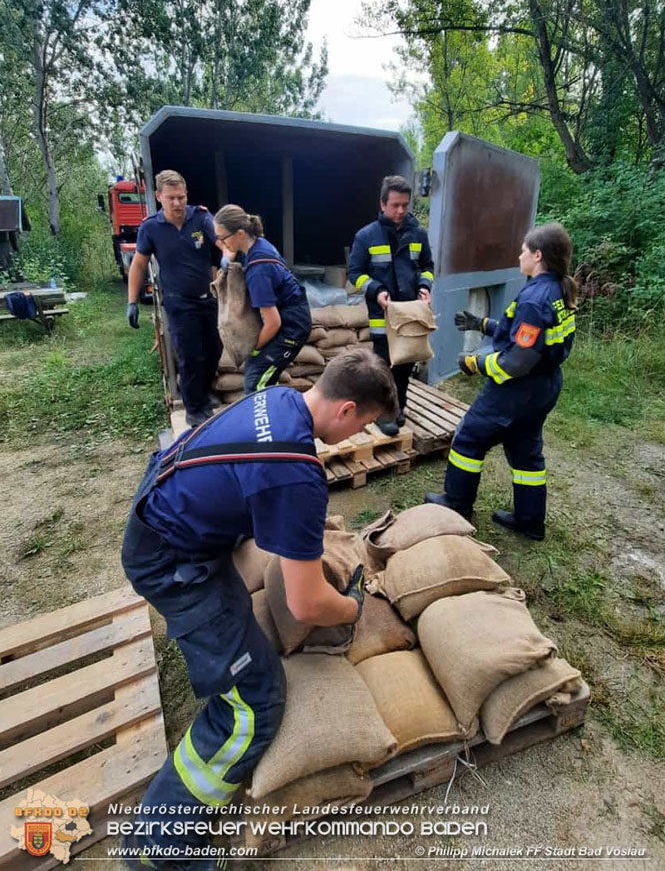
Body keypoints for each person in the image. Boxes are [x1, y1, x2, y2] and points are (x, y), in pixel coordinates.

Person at [120, 347, 398, 870]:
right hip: (172, 561)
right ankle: (156, 851)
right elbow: (306, 602)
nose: (358, 436)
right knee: (253, 704)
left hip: (163, 516)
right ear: (345, 411)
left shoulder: (279, 397)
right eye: (363, 424)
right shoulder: (295, 472)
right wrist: (352, 608)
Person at [425, 223, 577, 541]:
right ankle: (530, 520)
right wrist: (482, 324)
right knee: (525, 450)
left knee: (469, 438)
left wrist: (475, 362)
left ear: (537, 255)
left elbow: (518, 361)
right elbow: (526, 336)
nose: (519, 254)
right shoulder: (555, 289)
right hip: (544, 387)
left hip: (519, 391)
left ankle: (456, 505)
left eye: (524, 250)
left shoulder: (536, 298)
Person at [127, 170, 224, 427]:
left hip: (206, 299)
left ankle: (202, 392)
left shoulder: (201, 217)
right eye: (171, 198)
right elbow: (138, 265)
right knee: (190, 355)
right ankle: (195, 409)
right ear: (159, 197)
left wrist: (230, 255)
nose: (177, 203)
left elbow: (220, 239)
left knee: (214, 349)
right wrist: (132, 301)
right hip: (178, 302)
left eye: (181, 197)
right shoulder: (150, 228)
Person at [348, 174, 434, 436]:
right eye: (395, 205)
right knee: (383, 368)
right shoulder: (366, 236)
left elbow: (427, 267)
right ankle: (383, 413)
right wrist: (375, 290)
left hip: (409, 315)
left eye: (405, 205)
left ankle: (399, 408)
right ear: (382, 204)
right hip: (382, 317)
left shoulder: (418, 233)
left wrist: (424, 286)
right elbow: (355, 273)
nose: (400, 211)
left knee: (405, 367)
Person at [213, 204, 312, 394]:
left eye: (223, 238)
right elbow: (231, 249)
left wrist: (254, 348)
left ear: (240, 233)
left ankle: (264, 420)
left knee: (255, 384)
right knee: (256, 372)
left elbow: (273, 322)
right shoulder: (258, 244)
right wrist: (227, 257)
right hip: (289, 314)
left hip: (291, 327)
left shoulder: (258, 271)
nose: (222, 243)